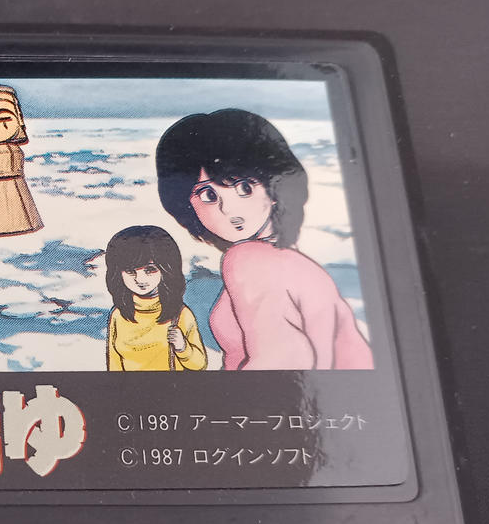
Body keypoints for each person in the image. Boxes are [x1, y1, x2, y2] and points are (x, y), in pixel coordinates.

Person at [156, 108, 373, 370]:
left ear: (274, 186)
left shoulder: (250, 260)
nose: (228, 209)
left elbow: (281, 361)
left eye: (244, 187)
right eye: (208, 195)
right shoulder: (289, 261)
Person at [104, 225, 206, 371]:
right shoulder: (118, 315)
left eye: (149, 270)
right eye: (130, 271)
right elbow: (114, 366)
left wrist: (183, 348)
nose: (140, 279)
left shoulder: (180, 314)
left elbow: (200, 365)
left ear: (166, 269)